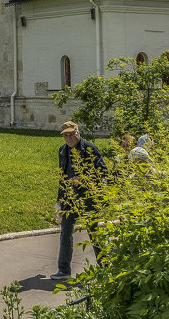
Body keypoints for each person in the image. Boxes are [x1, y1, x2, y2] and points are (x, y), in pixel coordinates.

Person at [53, 120, 105, 280]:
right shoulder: (63, 151)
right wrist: (59, 202)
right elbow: (62, 178)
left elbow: (102, 172)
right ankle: (64, 270)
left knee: (94, 231)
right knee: (66, 231)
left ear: (78, 133)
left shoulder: (90, 148)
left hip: (88, 198)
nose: (68, 138)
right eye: (65, 135)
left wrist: (83, 179)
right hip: (69, 199)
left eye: (71, 134)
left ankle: (105, 266)